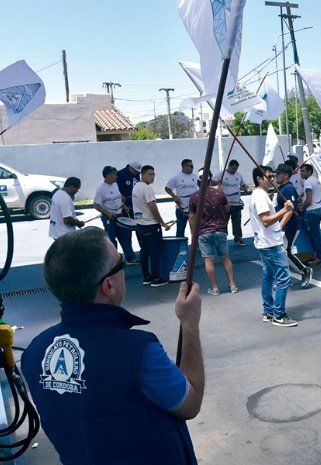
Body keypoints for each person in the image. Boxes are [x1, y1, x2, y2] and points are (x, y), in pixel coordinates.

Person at [21, 227, 204, 465]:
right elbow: (189, 404)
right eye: (121, 264)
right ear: (108, 286)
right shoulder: (139, 353)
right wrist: (190, 324)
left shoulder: (34, 352)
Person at [250, 166, 298, 327]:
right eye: (268, 176)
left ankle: (269, 311)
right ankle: (278, 315)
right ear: (259, 179)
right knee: (284, 278)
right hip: (270, 244)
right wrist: (285, 210)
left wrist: (283, 213)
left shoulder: (261, 195)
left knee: (268, 276)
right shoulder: (260, 196)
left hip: (266, 241)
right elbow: (265, 220)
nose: (272, 179)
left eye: (272, 176)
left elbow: (269, 221)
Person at [189, 169, 237, 296]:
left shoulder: (194, 196)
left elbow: (192, 217)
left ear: (198, 180)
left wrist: (193, 233)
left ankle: (215, 288)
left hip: (203, 232)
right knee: (225, 258)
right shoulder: (219, 193)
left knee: (208, 260)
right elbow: (227, 208)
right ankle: (232, 285)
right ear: (210, 179)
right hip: (220, 230)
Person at [274, 164, 312, 288]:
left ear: (286, 175)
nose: (275, 175)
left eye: (278, 173)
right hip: (285, 226)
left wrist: (280, 226)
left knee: (285, 252)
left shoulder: (289, 189)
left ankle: (305, 270)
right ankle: (286, 278)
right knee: (282, 252)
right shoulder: (282, 188)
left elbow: (290, 210)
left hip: (290, 226)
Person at [133, 165, 171, 287]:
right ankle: (156, 278)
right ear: (142, 174)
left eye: (153, 174)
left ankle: (146, 277)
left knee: (144, 251)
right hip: (150, 225)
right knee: (155, 252)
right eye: (150, 174)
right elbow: (152, 207)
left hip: (140, 225)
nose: (153, 177)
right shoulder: (147, 188)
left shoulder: (136, 187)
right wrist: (163, 223)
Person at [94, 166, 137, 264]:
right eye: (114, 174)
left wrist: (124, 206)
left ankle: (130, 257)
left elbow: (118, 196)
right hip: (109, 217)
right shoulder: (100, 189)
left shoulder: (115, 184)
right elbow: (96, 205)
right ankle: (114, 260)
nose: (116, 176)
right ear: (108, 175)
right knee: (111, 239)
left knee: (125, 236)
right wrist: (108, 213)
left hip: (120, 214)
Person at [165, 159, 199, 238]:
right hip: (181, 209)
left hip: (193, 208)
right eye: (190, 166)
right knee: (180, 229)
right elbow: (167, 188)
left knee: (195, 229)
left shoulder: (195, 176)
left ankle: (195, 244)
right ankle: (179, 244)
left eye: (192, 166)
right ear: (184, 166)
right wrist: (175, 197)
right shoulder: (176, 177)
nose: (192, 167)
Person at [300, 163, 321, 265]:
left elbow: (309, 200)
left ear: (309, 171)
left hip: (312, 211)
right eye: (300, 171)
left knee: (314, 235)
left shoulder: (308, 182)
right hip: (319, 209)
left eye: (303, 171)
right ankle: (317, 255)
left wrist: (302, 207)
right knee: (316, 234)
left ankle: (319, 257)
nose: (301, 173)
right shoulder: (315, 180)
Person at [221, 159, 247, 246]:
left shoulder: (238, 175)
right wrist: (217, 182)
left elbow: (243, 184)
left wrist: (244, 187)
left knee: (237, 222)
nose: (234, 170)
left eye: (236, 169)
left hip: (236, 203)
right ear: (229, 166)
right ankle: (222, 238)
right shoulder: (221, 174)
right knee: (223, 222)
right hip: (225, 203)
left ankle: (238, 238)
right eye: (233, 168)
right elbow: (213, 182)